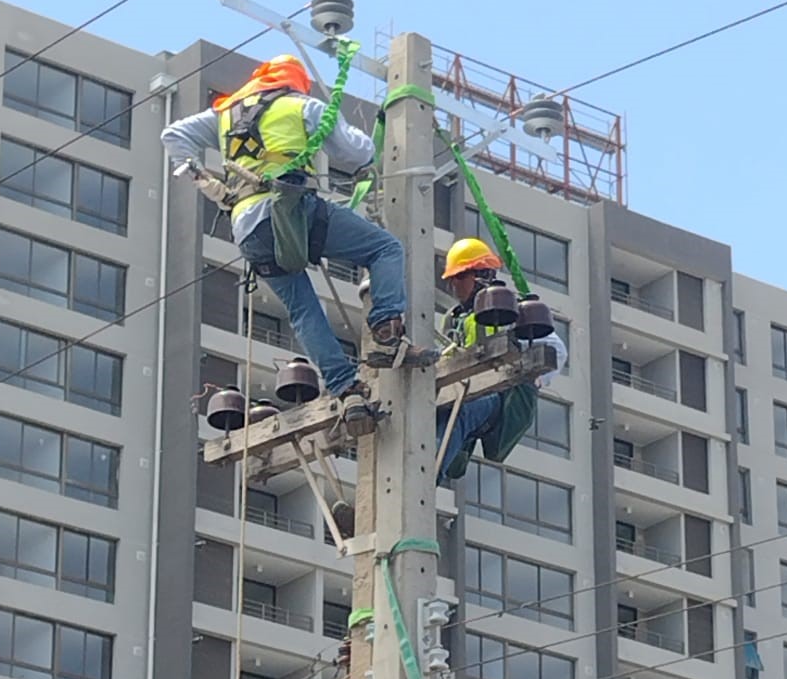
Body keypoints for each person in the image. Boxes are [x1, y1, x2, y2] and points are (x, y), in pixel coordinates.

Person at [161, 54, 437, 416]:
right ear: (294, 82)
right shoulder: (301, 105)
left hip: (248, 229)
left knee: (303, 309)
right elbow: (357, 151)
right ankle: (387, 332)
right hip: (292, 211)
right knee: (384, 248)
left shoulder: (227, 114)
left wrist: (202, 180)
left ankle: (347, 391)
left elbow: (173, 134)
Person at [435, 238, 568, 481]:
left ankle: (423, 480)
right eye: (452, 279)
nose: (454, 285)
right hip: (460, 390)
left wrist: (532, 378)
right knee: (426, 416)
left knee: (461, 412)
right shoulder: (453, 319)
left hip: (497, 395)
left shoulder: (509, 308)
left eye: (460, 277)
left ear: (480, 276)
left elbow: (555, 350)